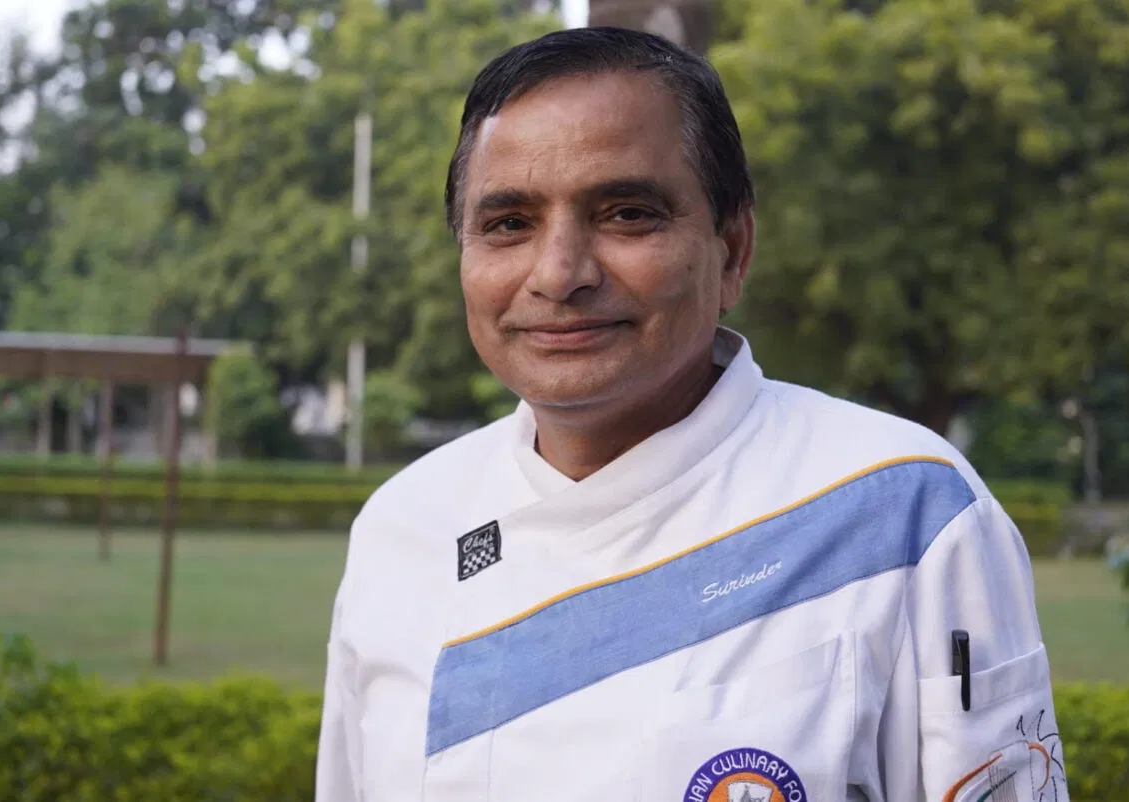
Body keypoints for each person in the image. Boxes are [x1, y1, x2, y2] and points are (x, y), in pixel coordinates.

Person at [316, 26, 1070, 802]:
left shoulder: (903, 511)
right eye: (509, 223)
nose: (560, 273)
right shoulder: (403, 530)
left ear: (733, 249)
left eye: (627, 214)